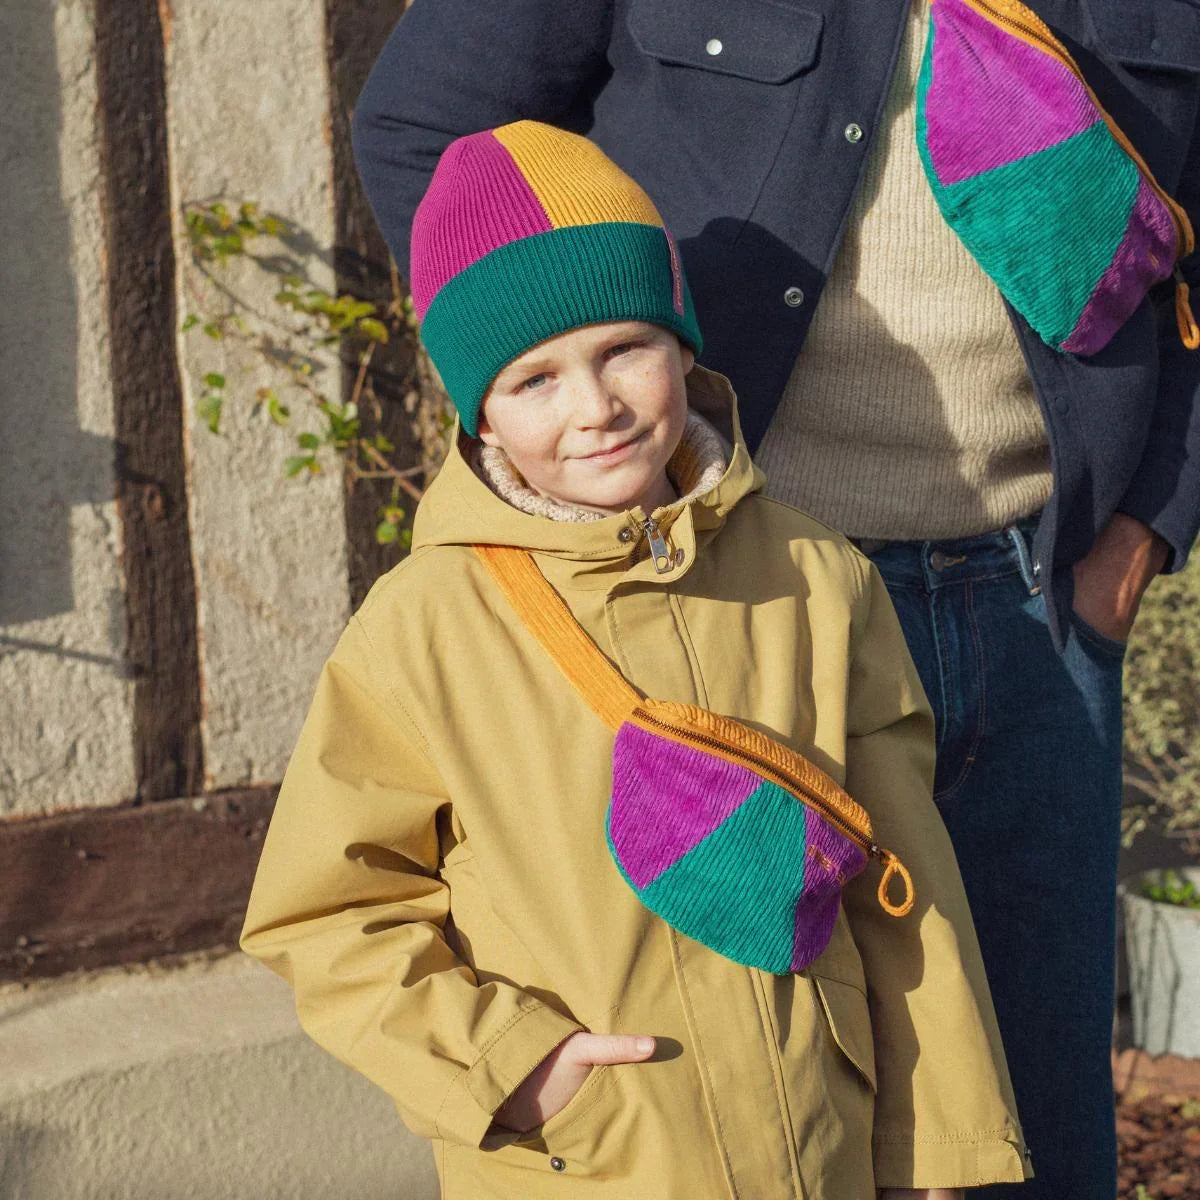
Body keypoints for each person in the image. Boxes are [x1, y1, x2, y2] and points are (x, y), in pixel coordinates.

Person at [349, 3, 1200, 1196]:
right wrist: (556, 408)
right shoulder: (426, 635)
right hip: (739, 612)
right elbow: (421, 124)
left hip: (1044, 605)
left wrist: (1143, 529)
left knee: (1027, 1137)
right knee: (772, 1115)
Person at [241, 122, 1029, 1199]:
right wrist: (510, 1063)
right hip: (592, 1160)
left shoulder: (816, 575)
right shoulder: (418, 632)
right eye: (534, 380)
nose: (596, 408)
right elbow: (328, 910)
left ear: (683, 342)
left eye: (625, 348)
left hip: (823, 1151)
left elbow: (903, 881)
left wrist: (934, 1141)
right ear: (477, 414)